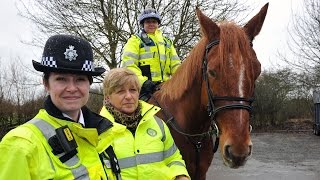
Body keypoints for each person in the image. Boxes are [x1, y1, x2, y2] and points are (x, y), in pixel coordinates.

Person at [0, 35, 118, 179]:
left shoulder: (104, 133)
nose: (72, 88)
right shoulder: (21, 144)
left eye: (80, 79)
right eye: (61, 79)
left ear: (89, 84)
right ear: (46, 83)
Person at [100, 68, 190, 180]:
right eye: (120, 91)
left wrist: (181, 175)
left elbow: (173, 159)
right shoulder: (97, 131)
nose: (128, 96)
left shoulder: (158, 124)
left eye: (133, 90)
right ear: (108, 97)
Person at [121, 8, 181, 99]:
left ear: (158, 24)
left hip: (166, 87)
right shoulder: (135, 40)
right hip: (144, 89)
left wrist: (182, 79)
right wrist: (143, 82)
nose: (151, 24)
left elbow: (176, 65)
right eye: (148, 22)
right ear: (143, 24)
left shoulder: (167, 42)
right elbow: (128, 65)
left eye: (154, 21)